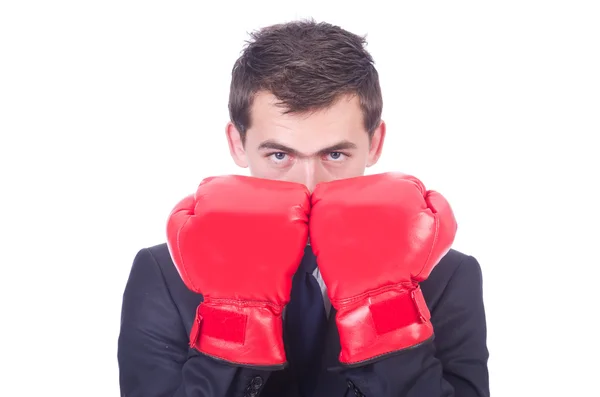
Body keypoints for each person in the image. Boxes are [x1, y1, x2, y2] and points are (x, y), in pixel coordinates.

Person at [117, 19, 490, 397]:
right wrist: (235, 317)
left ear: (375, 143)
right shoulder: (164, 275)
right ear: (237, 143)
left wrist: (384, 310)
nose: (309, 186)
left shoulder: (448, 275)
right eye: (280, 155)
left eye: (335, 154)